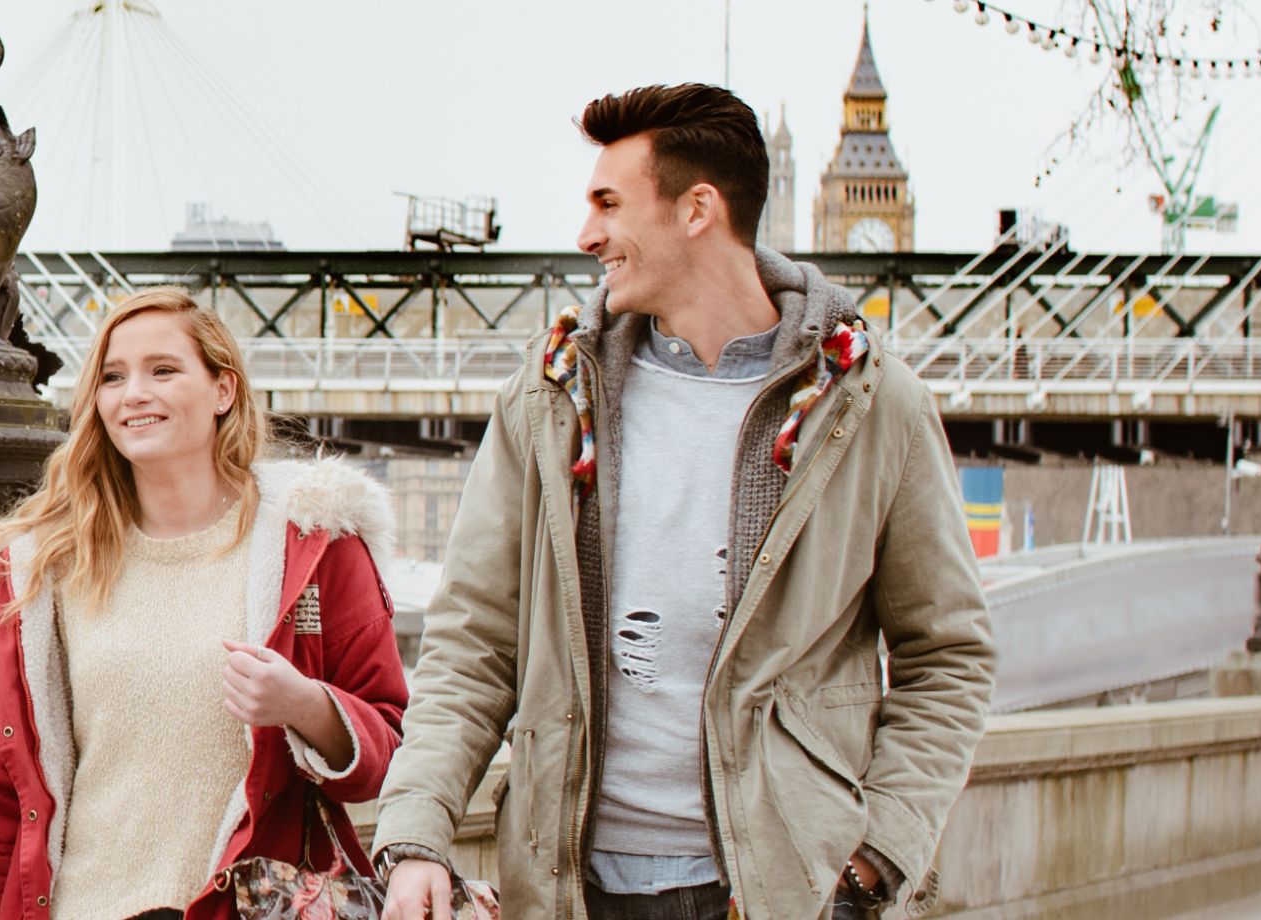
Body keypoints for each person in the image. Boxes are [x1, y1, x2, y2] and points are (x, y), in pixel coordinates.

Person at [370, 84, 996, 920]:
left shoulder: (875, 407)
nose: (586, 235)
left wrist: (878, 854)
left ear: (697, 209)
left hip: (781, 891)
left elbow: (948, 656)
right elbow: (474, 639)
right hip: (567, 891)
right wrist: (416, 832)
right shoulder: (551, 397)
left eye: (608, 204)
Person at [0, 288, 411, 920]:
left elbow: (387, 755)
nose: (133, 392)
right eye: (112, 377)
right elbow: (8, 800)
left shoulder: (315, 543)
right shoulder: (43, 569)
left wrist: (303, 704)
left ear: (224, 390)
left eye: (163, 369)